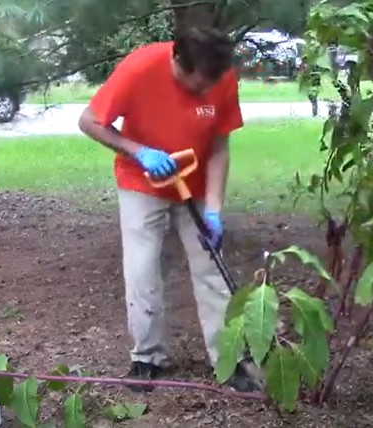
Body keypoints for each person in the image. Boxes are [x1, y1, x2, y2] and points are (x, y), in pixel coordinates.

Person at [77, 26, 261, 393]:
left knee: (211, 268)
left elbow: (220, 147)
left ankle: (229, 359)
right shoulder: (139, 68)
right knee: (143, 268)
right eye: (197, 85)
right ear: (177, 61)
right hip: (141, 183)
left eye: (210, 85)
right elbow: (89, 121)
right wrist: (137, 150)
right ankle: (147, 357)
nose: (204, 92)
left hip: (194, 185)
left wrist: (214, 209)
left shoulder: (218, 75)